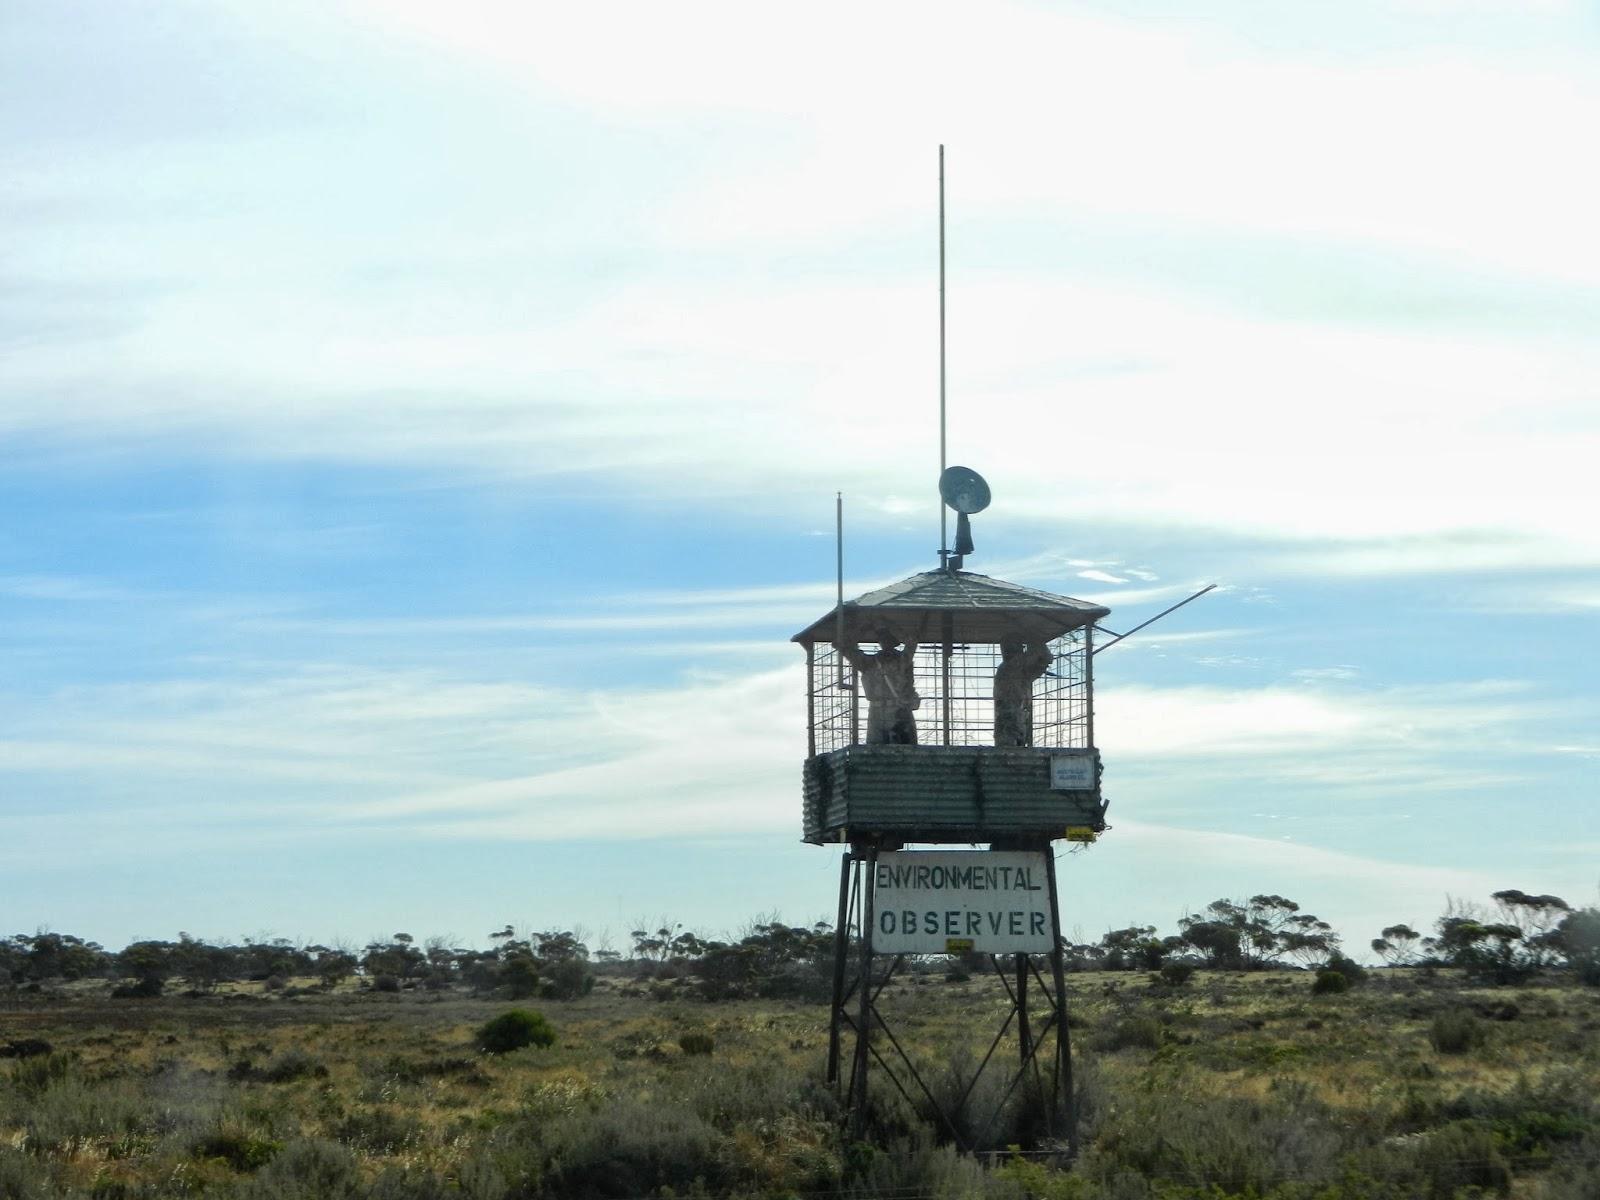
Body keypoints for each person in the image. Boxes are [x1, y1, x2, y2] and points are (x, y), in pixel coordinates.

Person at [842, 628, 920, 744]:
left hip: (897, 711)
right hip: (878, 711)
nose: (884, 642)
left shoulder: (902, 660)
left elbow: (912, 642)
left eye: (888, 639)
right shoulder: (870, 662)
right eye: (882, 639)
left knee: (904, 749)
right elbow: (848, 650)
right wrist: (866, 625)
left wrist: (885, 623)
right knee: (876, 749)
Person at [993, 636, 1052, 747]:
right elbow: (1043, 658)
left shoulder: (1019, 670)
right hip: (1009, 718)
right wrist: (1034, 638)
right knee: (1009, 749)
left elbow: (1044, 660)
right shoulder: (1009, 667)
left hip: (1018, 717)